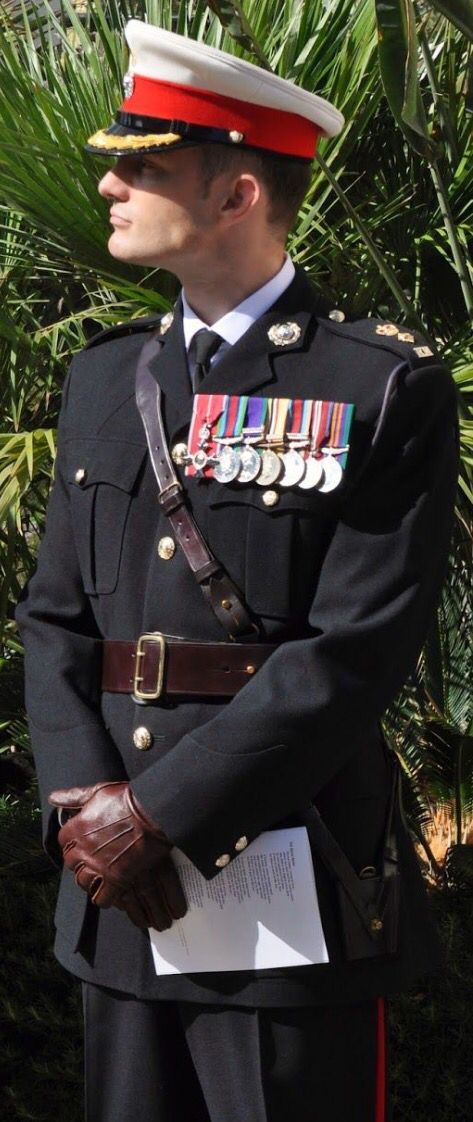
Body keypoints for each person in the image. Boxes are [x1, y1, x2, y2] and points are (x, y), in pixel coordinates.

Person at [16, 18, 459, 1122]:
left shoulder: (376, 390)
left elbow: (354, 653)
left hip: (283, 884)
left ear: (236, 195)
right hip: (117, 891)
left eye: (143, 165)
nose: (111, 183)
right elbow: (55, 618)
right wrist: (83, 808)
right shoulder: (105, 382)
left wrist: (156, 814)